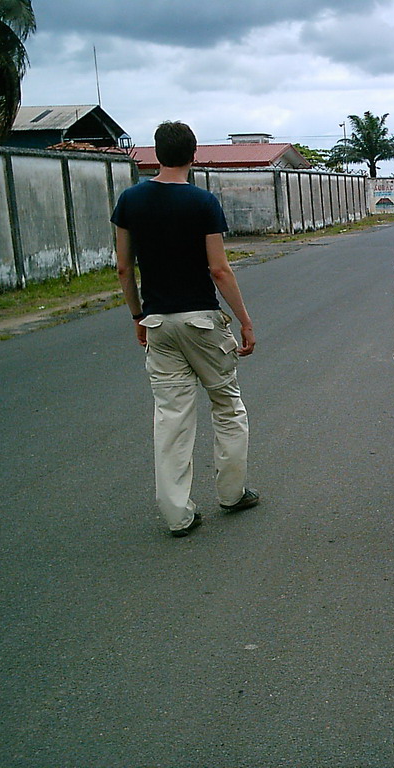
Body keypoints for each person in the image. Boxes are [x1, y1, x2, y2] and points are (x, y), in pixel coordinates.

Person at [112, 121, 260, 537]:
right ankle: (232, 494)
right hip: (202, 322)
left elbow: (124, 267)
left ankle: (177, 513)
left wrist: (138, 316)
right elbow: (218, 268)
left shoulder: (129, 201)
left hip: (158, 322)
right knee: (227, 405)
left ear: (155, 154)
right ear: (193, 155)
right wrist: (245, 320)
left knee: (172, 418)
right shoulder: (202, 203)